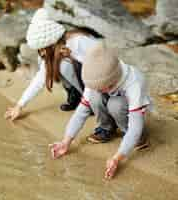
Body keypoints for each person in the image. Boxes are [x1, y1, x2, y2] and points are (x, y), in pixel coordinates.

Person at [49, 42, 151, 179]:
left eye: (100, 88)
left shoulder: (134, 82)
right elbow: (81, 112)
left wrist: (117, 158)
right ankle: (106, 129)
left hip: (129, 108)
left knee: (116, 105)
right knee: (95, 97)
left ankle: (138, 139)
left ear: (112, 82)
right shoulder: (96, 75)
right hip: (111, 93)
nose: (95, 89)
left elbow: (135, 127)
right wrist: (66, 141)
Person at [5, 8, 99, 121]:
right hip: (83, 77)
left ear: (52, 43)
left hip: (98, 79)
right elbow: (39, 80)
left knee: (64, 66)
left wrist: (89, 98)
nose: (42, 52)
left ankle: (89, 101)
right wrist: (19, 105)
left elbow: (102, 63)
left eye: (43, 49)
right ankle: (76, 95)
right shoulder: (53, 51)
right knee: (52, 64)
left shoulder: (78, 41)